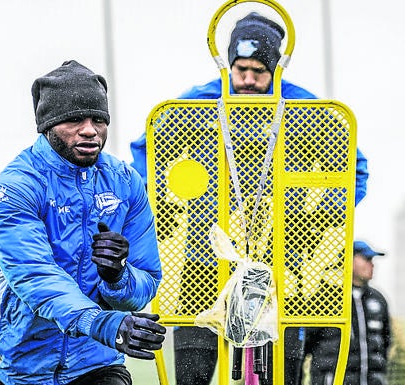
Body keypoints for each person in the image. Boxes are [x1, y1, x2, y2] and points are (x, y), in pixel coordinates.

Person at [129, 12, 369, 385]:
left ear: (275, 68)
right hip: (205, 254)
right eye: (240, 68)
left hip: (280, 262)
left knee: (280, 369)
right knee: (194, 368)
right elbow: (148, 148)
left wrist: (322, 213)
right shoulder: (200, 103)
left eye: (260, 71)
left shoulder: (304, 109)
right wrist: (161, 198)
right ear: (229, 63)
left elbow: (354, 169)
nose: (248, 80)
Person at [0, 60, 166, 385]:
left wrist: (117, 276)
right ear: (47, 125)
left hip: (97, 363)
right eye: (74, 120)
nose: (89, 130)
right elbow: (34, 274)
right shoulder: (18, 184)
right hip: (19, 367)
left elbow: (146, 282)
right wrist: (102, 323)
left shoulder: (126, 181)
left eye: (98, 119)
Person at [302, 240, 392, 385]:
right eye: (367, 259)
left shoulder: (378, 299)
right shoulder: (327, 298)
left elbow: (386, 341)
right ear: (349, 260)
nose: (372, 264)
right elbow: (305, 345)